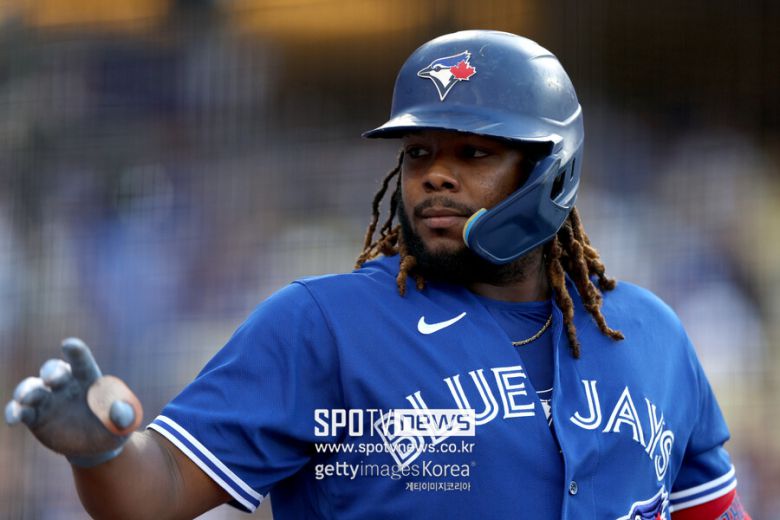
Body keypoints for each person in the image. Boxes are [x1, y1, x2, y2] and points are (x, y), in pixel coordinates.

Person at [5, 30, 750, 519]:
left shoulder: (650, 334)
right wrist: (101, 451)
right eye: (419, 153)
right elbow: (159, 489)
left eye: (474, 153)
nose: (436, 177)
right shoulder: (322, 325)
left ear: (551, 170)